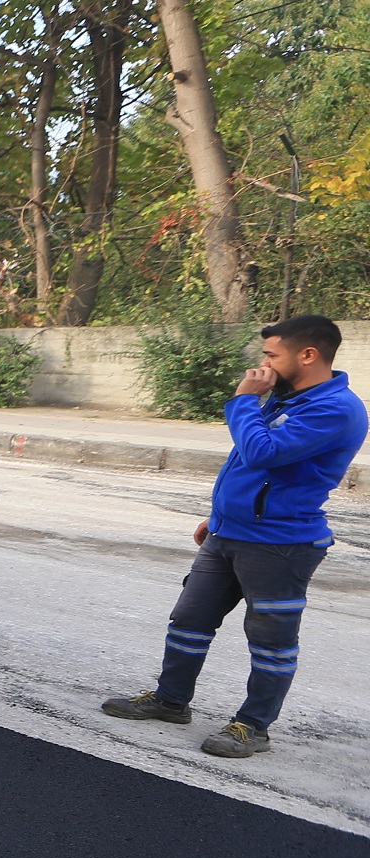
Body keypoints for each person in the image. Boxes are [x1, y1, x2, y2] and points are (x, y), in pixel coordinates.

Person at [102, 314, 365, 758]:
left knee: (270, 641)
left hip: (280, 545)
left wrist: (244, 400)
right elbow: (247, 466)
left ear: (308, 355)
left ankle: (253, 726)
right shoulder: (284, 398)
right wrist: (220, 514)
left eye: (270, 354)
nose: (260, 365)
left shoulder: (335, 409)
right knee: (189, 621)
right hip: (229, 533)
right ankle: (170, 701)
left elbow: (263, 452)